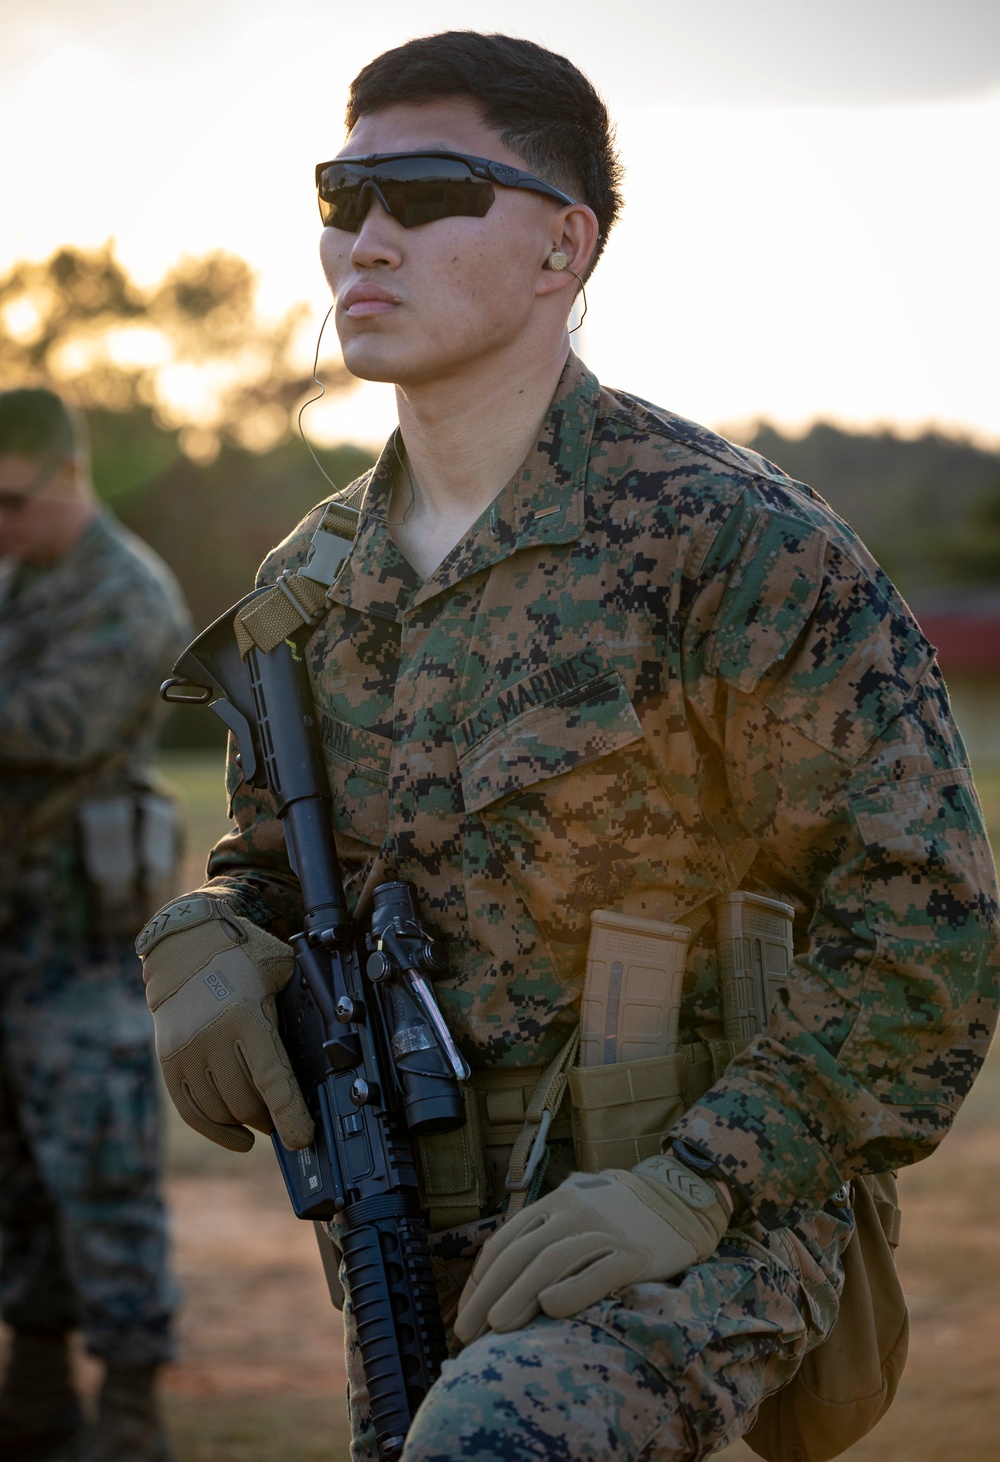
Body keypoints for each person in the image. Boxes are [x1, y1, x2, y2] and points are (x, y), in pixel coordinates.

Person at [136, 32, 1000, 1462]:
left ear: (561, 245)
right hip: (413, 1236)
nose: (368, 239)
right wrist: (210, 930)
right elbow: (286, 868)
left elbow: (929, 928)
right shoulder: (312, 581)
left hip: (701, 1220)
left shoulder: (732, 549)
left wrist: (699, 1182)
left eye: (425, 194)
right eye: (342, 198)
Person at [0, 388, 190, 1462]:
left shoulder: (130, 593)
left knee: (102, 1168)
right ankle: (32, 1389)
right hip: (7, 931)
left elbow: (55, 727)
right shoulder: (17, 577)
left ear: (72, 474)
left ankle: (130, 1410)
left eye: (13, 501)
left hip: (77, 943)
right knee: (16, 1174)